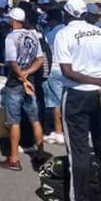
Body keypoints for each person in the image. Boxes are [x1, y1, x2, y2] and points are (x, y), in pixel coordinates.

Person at [52, 0, 101, 201]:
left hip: (77, 96)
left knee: (78, 152)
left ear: (67, 14)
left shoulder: (63, 34)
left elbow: (67, 71)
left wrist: (98, 83)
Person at [0, 8, 48, 171]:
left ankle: (13, 158)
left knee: (14, 121)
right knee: (35, 119)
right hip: (30, 80)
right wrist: (27, 74)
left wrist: (21, 76)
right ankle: (40, 153)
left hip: (15, 82)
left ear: (13, 20)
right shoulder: (33, 34)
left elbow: (12, 62)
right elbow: (40, 59)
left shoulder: (11, 37)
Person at [42, 9, 66, 145]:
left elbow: (47, 50)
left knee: (56, 102)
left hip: (55, 67)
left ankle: (58, 132)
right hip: (69, 68)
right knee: (66, 100)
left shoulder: (51, 32)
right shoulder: (67, 29)